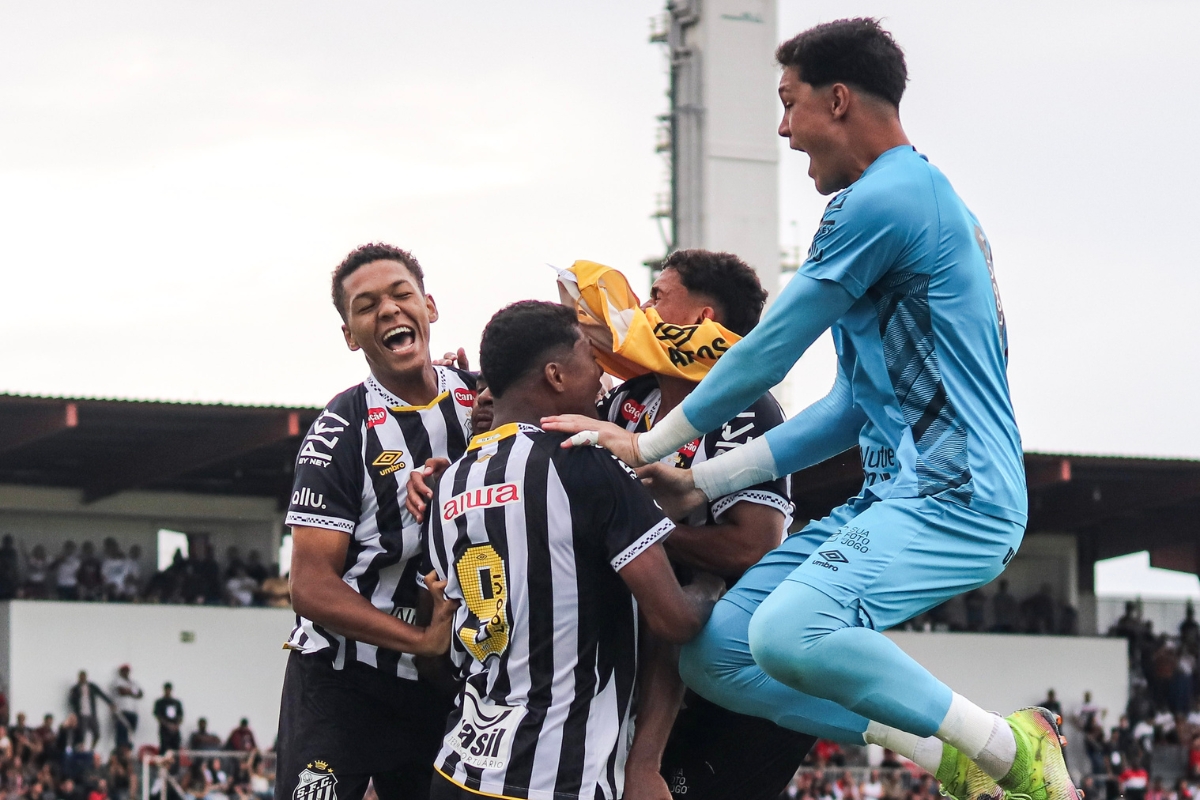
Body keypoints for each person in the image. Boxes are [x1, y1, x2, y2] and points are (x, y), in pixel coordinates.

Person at [542, 18, 1074, 800]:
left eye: (789, 104)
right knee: (716, 655)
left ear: (838, 100)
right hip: (899, 493)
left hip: (959, 495)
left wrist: (652, 446)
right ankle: (947, 754)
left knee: (787, 634)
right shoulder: (910, 202)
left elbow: (770, 350)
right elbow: (850, 407)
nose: (783, 129)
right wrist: (704, 483)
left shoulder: (884, 199)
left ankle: (1011, 744)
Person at [422, 301, 721, 800]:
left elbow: (449, 640)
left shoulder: (451, 481)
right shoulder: (584, 462)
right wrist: (709, 591)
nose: (603, 371)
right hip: (555, 778)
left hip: (459, 767)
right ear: (556, 376)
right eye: (590, 355)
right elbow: (673, 621)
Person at [597, 252, 816, 800]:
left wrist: (638, 533)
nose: (645, 309)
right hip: (658, 662)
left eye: (658, 296)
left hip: (744, 688)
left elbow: (752, 546)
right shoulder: (633, 397)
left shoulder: (748, 409)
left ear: (699, 320)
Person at [274, 243, 469, 800]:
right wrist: (420, 640)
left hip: (445, 682)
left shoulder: (483, 400)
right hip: (342, 676)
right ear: (350, 335)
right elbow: (309, 586)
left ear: (430, 306)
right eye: (366, 306)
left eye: (401, 294)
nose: (388, 310)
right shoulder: (340, 427)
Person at [67, 671, 112, 751]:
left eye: (83, 676)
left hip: (92, 714)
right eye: (81, 677)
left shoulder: (92, 686)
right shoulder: (75, 688)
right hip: (81, 715)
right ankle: (81, 750)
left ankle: (91, 749)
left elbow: (101, 694)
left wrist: (110, 703)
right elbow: (71, 701)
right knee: (82, 734)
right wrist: (73, 713)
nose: (82, 678)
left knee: (97, 734)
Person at [110, 665, 143, 751]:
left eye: (127, 671)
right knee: (121, 733)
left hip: (133, 712)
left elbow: (140, 694)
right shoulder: (117, 681)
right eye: (124, 671)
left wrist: (129, 691)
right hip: (122, 712)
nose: (126, 673)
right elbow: (122, 691)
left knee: (130, 734)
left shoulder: (133, 682)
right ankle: (120, 752)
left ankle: (128, 752)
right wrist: (132, 692)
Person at [153, 683, 183, 754]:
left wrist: (176, 726)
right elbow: (158, 715)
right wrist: (167, 725)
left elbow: (180, 715)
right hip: (164, 730)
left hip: (175, 730)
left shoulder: (176, 703)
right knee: (164, 749)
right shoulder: (160, 702)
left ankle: (175, 765)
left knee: (176, 750)